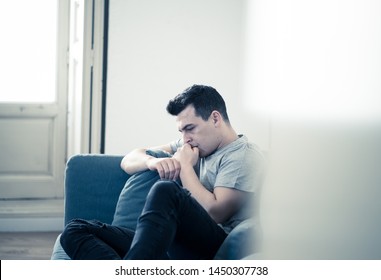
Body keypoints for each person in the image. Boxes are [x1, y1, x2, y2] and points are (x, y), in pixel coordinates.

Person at [60, 84, 265, 260]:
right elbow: (129, 160)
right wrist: (152, 161)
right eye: (181, 131)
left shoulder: (242, 155)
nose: (185, 138)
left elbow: (215, 213)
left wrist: (184, 167)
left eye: (190, 128)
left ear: (215, 118)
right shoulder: (194, 146)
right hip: (165, 243)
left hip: (211, 248)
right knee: (75, 230)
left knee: (166, 190)